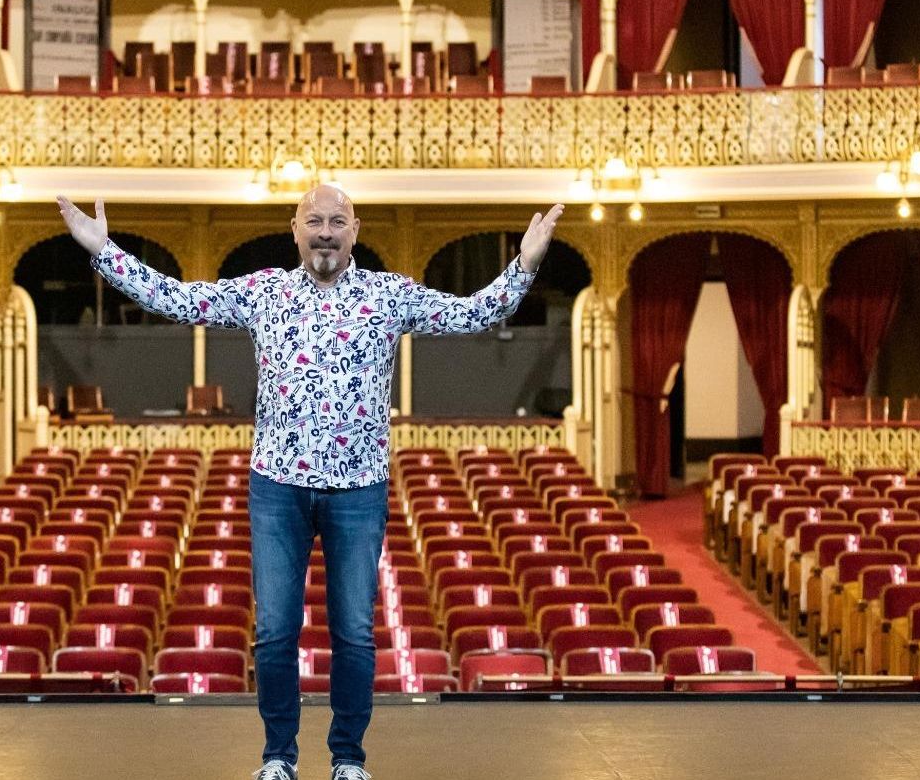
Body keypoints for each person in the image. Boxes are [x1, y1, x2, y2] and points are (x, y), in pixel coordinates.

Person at [57, 187, 563, 780]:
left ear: (355, 229)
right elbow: (178, 299)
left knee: (354, 633)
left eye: (337, 221)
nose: (326, 231)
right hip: (278, 486)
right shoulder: (264, 292)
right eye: (315, 221)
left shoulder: (389, 295)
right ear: (294, 228)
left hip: (359, 488)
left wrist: (525, 262)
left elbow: (471, 313)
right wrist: (104, 251)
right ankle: (278, 757)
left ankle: (348, 759)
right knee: (274, 632)